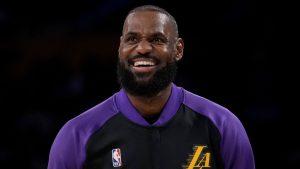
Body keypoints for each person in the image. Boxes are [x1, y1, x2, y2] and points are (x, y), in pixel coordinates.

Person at [47, 5, 255, 169]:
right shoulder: (77, 134)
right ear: (120, 48)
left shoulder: (223, 126)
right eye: (132, 39)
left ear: (178, 49)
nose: (143, 48)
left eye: (157, 39)